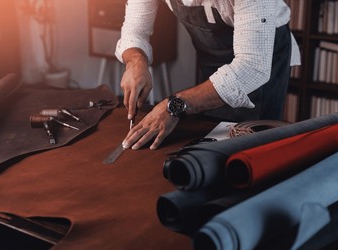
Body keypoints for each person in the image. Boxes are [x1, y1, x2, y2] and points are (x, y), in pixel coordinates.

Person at [115, 0, 301, 150]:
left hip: (260, 64)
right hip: (213, 60)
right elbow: (135, 31)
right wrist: (136, 61)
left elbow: (252, 69)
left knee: (252, 151)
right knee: (211, 141)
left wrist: (174, 106)